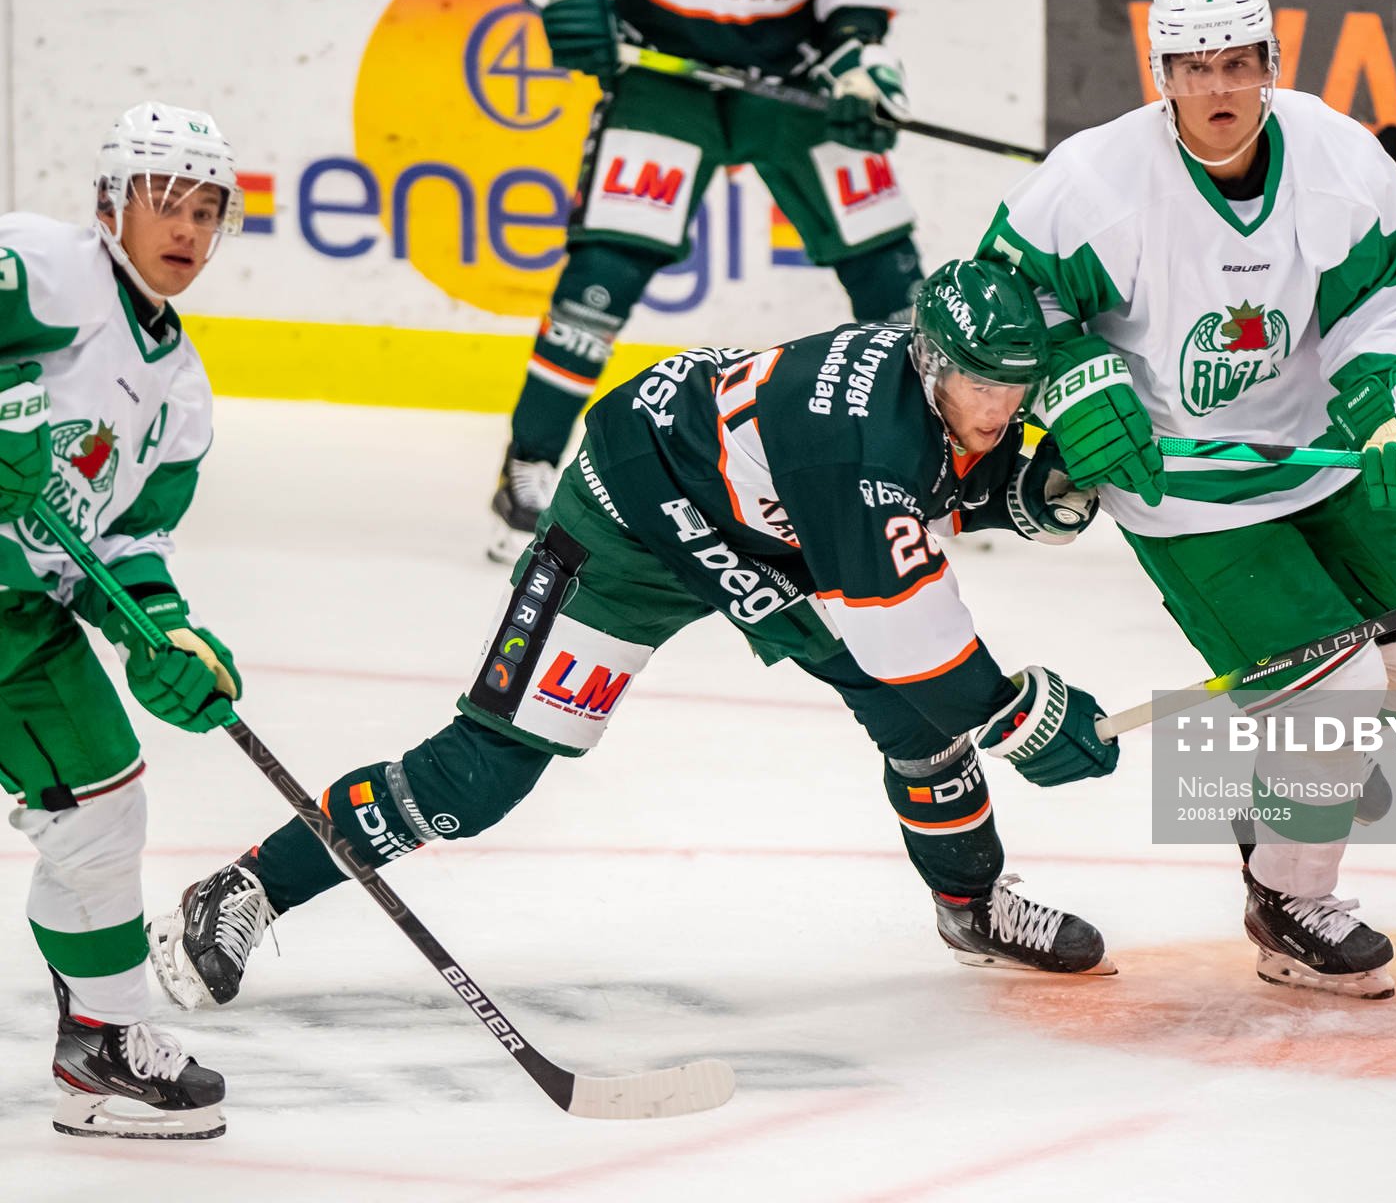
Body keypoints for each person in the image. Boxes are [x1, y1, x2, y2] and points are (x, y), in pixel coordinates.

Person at [148, 259, 1119, 1013]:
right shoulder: (862, 443)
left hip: (760, 518)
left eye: (1013, 390)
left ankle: (972, 903)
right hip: (631, 510)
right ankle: (247, 887)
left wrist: (1017, 492)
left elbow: (937, 485)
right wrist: (1016, 711)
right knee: (479, 776)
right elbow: (920, 639)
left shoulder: (917, 395)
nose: (998, 411)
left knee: (911, 716)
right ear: (934, 363)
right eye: (982, 389)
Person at [978, 0, 1396, 999]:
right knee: (1333, 694)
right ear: (1159, 70)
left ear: (1271, 62)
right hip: (1184, 488)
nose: (1218, 89)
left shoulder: (1341, 165)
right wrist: (1074, 381)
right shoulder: (1096, 182)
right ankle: (1289, 900)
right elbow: (1006, 297)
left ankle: (1290, 785)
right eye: (1194, 66)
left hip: (1315, 448)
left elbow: (1378, 306)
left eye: (1238, 63)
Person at [491, 0, 924, 560]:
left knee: (890, 275)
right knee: (600, 280)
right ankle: (527, 467)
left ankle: (935, 470)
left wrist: (859, 68)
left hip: (790, 79)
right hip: (662, 73)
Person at [0, 102, 245, 1137]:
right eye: (163, 203)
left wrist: (166, 638)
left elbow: (130, 545)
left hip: (19, 617)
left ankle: (104, 1040)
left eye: (205, 211)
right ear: (110, 203)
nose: (185, 229)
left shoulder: (178, 392)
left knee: (101, 805)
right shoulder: (42, 269)